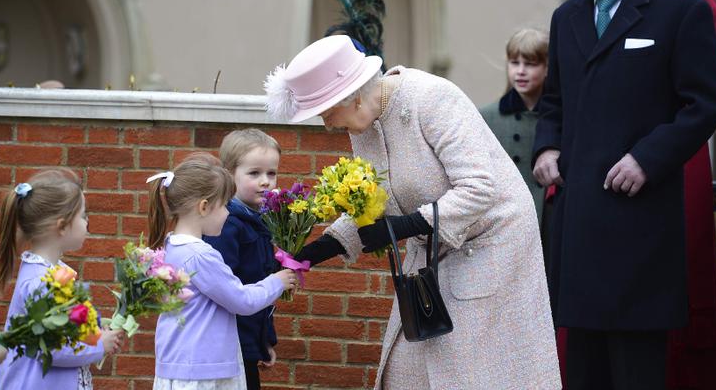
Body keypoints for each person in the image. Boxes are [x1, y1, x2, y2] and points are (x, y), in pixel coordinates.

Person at [264, 34, 560, 389]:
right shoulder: (364, 122)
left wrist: (406, 225)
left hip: (490, 244)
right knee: (404, 370)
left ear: (353, 96)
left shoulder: (432, 98)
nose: (328, 125)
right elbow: (374, 199)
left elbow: (480, 187)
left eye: (328, 113)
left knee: (466, 372)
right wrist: (313, 253)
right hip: (433, 250)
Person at [533, 0, 716, 389]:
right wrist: (546, 149)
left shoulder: (680, 9)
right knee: (583, 376)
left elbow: (703, 105)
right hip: (580, 232)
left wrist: (647, 158)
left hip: (641, 231)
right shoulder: (566, 17)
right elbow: (552, 102)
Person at [614, 0, 716, 390]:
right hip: (601, 177)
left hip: (673, 172)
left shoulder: (691, 2)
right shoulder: (583, 8)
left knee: (679, 295)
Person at [147, 153, 298, 390]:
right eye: (225, 205)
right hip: (205, 372)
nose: (228, 213)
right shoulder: (201, 255)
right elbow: (241, 300)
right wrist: (277, 282)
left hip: (177, 366)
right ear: (204, 207)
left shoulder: (169, 247)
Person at [0, 168, 123, 390]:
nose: (87, 222)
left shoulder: (54, 273)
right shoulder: (42, 282)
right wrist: (99, 346)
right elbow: (52, 347)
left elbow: (68, 326)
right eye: (83, 215)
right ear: (62, 226)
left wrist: (97, 330)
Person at [203, 129, 281, 390]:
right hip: (228, 348)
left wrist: (265, 340)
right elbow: (227, 293)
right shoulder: (226, 225)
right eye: (254, 173)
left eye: (271, 173)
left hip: (248, 343)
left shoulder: (260, 220)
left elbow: (261, 287)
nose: (265, 181)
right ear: (229, 175)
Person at [479, 27, 549, 222]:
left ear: (547, 68)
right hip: (505, 221)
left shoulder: (558, 121)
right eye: (514, 63)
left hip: (549, 220)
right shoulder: (486, 118)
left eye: (530, 64)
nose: (520, 71)